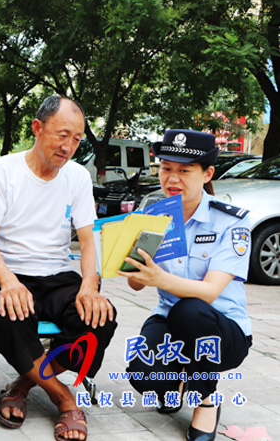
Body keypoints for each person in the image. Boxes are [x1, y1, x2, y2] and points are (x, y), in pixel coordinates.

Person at [0, 95, 117, 441]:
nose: (68, 147)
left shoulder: (78, 177)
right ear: (37, 128)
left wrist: (89, 287)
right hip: (2, 275)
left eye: (77, 140)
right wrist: (8, 281)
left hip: (55, 276)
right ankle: (64, 399)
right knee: (13, 314)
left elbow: (86, 239)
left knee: (99, 318)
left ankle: (22, 384)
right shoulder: (2, 171)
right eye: (62, 135)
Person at [121, 129, 252, 441]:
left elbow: (209, 292)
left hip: (222, 331)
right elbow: (137, 286)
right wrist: (124, 259)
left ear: (207, 173)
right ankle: (179, 382)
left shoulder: (231, 221)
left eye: (183, 171)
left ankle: (206, 398)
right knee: (142, 374)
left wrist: (159, 278)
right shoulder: (152, 216)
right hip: (169, 320)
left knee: (190, 310)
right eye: (166, 169)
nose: (172, 179)